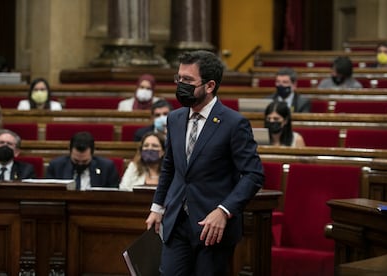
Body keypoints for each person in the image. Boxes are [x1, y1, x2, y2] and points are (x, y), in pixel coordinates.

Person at [145, 50, 264, 276]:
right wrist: (157, 207)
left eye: (188, 80)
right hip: (177, 221)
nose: (181, 85)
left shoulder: (234, 123)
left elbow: (253, 175)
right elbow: (170, 166)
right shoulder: (175, 118)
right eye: (179, 79)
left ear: (210, 86)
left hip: (212, 227)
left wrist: (224, 210)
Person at [46, 131, 120, 190]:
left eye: (85, 161)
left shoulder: (106, 168)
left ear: (92, 154)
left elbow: (113, 195)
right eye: (76, 161)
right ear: (70, 152)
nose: (80, 164)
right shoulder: (56, 167)